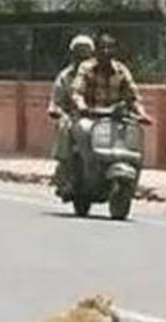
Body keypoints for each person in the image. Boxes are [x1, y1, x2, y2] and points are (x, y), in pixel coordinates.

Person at [71, 33, 152, 168]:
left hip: (116, 119)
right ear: (96, 51)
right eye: (102, 48)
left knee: (133, 141)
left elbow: (133, 97)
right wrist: (82, 106)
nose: (106, 51)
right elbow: (77, 92)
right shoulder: (86, 68)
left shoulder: (121, 70)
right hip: (91, 118)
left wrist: (142, 113)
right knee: (83, 132)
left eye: (110, 48)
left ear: (115, 51)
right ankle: (86, 169)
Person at [47, 34, 94, 201]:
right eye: (78, 52)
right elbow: (56, 101)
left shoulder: (101, 73)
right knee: (64, 127)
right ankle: (66, 175)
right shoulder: (65, 76)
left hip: (99, 118)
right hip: (74, 117)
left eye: (86, 52)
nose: (82, 56)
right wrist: (57, 110)